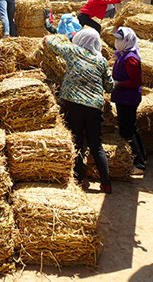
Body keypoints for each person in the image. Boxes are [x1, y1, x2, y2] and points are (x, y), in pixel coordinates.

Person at [44, 28, 115, 193]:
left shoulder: (73, 51)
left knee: (76, 141)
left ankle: (78, 178)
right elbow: (110, 86)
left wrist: (48, 37)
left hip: (74, 104)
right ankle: (106, 183)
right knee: (96, 145)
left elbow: (52, 44)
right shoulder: (101, 60)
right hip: (94, 108)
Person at [111, 27, 147, 175]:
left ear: (127, 41)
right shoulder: (123, 54)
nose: (116, 42)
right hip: (124, 97)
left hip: (128, 98)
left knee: (128, 130)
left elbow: (136, 81)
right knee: (132, 127)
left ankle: (139, 164)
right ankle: (142, 158)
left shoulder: (130, 58)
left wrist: (119, 84)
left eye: (119, 39)